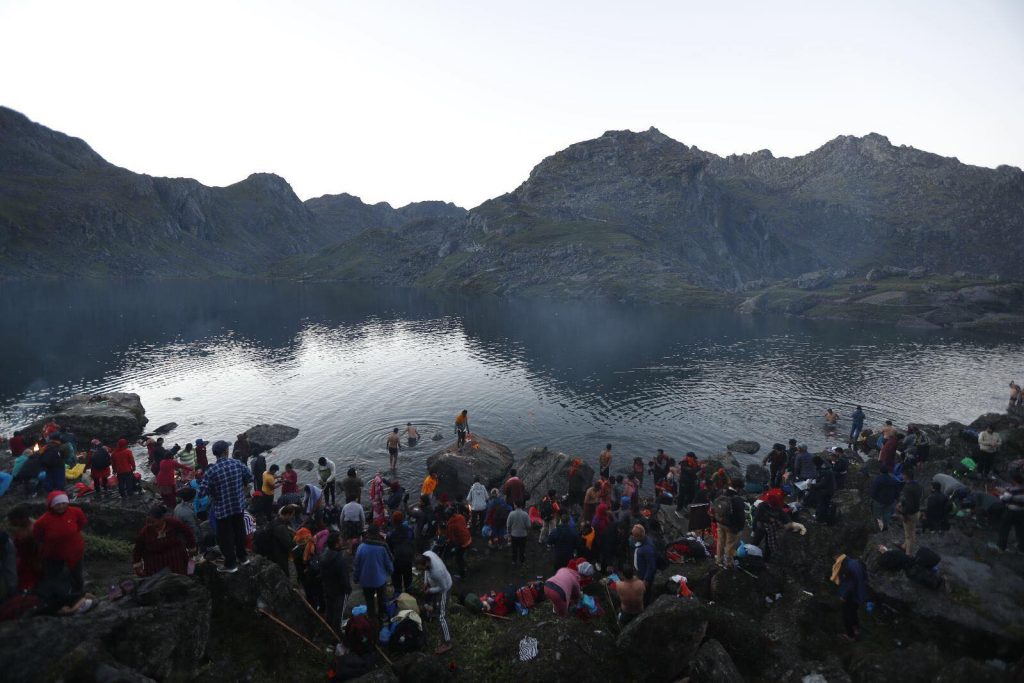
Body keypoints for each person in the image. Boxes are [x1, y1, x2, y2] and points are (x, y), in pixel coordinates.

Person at [199, 440, 253, 573]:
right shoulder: (237, 463)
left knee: (226, 537)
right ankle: (243, 557)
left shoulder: (211, 470)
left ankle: (231, 564)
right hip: (238, 506)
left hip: (222, 510)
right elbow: (250, 476)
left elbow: (201, 493)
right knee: (240, 531)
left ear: (216, 454)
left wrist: (213, 490)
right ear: (226, 451)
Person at [32, 491, 87, 594]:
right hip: (54, 553)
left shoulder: (76, 512)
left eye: (64, 503)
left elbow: (81, 523)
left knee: (77, 574)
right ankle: (59, 597)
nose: (61, 506)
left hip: (75, 550)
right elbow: (38, 536)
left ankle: (79, 593)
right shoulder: (42, 521)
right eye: (57, 504)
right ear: (51, 505)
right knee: (54, 575)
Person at [133, 505, 197, 576]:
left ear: (162, 519)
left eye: (153, 522)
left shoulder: (172, 523)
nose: (150, 524)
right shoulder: (145, 532)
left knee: (181, 578)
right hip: (156, 565)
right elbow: (138, 549)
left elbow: (187, 532)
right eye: (148, 522)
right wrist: (137, 564)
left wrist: (192, 548)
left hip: (177, 560)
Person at [353, 525, 393, 625]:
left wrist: (355, 577)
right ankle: (382, 617)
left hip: (365, 581)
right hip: (380, 580)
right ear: (377, 534)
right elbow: (388, 564)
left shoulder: (361, 547)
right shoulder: (382, 547)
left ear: (368, 534)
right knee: (381, 600)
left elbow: (357, 565)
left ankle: (372, 621)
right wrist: (391, 571)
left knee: (369, 602)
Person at [416, 550, 454, 654]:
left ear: (426, 563)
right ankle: (432, 613)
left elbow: (443, 588)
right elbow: (426, 571)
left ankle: (447, 643)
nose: (421, 570)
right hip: (438, 583)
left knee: (442, 616)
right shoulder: (426, 554)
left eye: (421, 568)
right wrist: (425, 582)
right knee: (432, 602)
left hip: (445, 588)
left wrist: (430, 590)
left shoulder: (436, 572)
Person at [321, 532, 352, 634]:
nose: (342, 541)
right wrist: (348, 589)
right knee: (338, 614)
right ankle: (337, 635)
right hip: (339, 592)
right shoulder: (339, 559)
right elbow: (344, 577)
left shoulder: (324, 554)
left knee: (330, 611)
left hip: (327, 588)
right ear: (336, 544)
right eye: (340, 539)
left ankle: (329, 631)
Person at [833, 554, 870, 641]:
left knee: (846, 615)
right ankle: (856, 629)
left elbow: (850, 584)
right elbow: (864, 576)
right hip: (859, 593)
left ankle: (850, 635)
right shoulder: (856, 562)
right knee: (853, 612)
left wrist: (843, 596)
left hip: (851, 595)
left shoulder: (845, 567)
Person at [7, 504, 41, 591]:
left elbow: (39, 549)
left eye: (13, 521)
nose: (11, 523)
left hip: (33, 562)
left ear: (22, 518)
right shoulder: (21, 527)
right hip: (23, 560)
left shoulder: (34, 528)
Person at [712, 489, 746, 570]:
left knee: (720, 541)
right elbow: (740, 515)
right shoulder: (737, 499)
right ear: (739, 487)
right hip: (731, 525)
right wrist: (739, 527)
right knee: (730, 545)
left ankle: (719, 560)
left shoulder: (721, 493)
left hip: (720, 522)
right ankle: (728, 563)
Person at [387, 511, 416, 593]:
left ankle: (398, 596)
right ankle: (409, 595)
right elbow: (413, 541)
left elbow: (389, 548)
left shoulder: (391, 534)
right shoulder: (409, 530)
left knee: (396, 580)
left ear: (393, 521)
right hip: (408, 558)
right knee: (408, 578)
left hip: (397, 560)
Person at [997, 473, 1024, 553]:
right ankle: (1022, 548)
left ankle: (1001, 548)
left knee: (1004, 529)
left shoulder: (1012, 490)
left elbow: (1005, 499)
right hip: (1021, 513)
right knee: (1020, 531)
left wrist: (1000, 495)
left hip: (1010, 512)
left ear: (1015, 481)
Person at [898, 468, 923, 555]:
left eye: (903, 475)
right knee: (913, 530)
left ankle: (908, 554)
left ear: (906, 476)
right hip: (917, 512)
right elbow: (914, 499)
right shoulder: (918, 486)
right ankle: (904, 546)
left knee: (908, 536)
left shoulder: (907, 488)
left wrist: (903, 514)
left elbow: (909, 504)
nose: (902, 476)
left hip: (910, 513)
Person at [631, 524, 656, 606]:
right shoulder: (642, 541)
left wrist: (646, 579)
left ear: (638, 537)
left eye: (634, 535)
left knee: (645, 593)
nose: (633, 537)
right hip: (639, 572)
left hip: (643, 575)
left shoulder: (647, 549)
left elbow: (651, 566)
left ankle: (644, 606)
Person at [806, 456, 836, 523]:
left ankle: (819, 519)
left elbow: (823, 483)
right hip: (829, 489)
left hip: (826, 490)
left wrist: (812, 485)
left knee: (822, 504)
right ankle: (822, 516)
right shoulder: (825, 466)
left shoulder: (825, 471)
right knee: (824, 503)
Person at [869, 466, 898, 531]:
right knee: (887, 513)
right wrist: (895, 498)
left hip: (879, 500)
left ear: (880, 471)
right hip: (890, 500)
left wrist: (872, 497)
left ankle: (879, 528)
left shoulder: (878, 479)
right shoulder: (892, 479)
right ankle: (885, 526)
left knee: (877, 515)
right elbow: (896, 490)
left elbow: (874, 489)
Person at [507, 500, 530, 567]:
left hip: (514, 535)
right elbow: (528, 525)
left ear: (515, 505)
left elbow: (508, 525)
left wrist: (509, 533)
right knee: (522, 549)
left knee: (514, 549)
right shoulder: (525, 514)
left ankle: (514, 561)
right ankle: (522, 561)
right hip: (523, 535)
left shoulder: (511, 514)